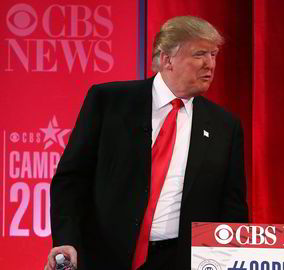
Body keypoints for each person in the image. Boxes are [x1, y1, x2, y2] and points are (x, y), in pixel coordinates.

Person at [45, 16, 249, 270]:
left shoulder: (224, 125)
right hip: (105, 255)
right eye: (199, 54)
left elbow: (232, 206)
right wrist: (66, 240)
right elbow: (71, 179)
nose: (210, 64)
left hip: (180, 260)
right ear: (166, 59)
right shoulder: (109, 102)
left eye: (214, 54)